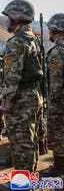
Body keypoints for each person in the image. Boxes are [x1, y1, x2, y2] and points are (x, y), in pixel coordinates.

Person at [0, 0, 43, 173]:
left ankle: (22, 185)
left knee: (20, 145)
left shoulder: (16, 42)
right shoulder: (33, 39)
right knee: (28, 143)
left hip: (20, 99)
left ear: (16, 17)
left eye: (8, 17)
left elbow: (12, 77)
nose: (6, 21)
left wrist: (7, 102)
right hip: (32, 95)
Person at [44, 13, 64, 175]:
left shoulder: (58, 52)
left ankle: (59, 167)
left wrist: (54, 104)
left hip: (60, 103)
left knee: (58, 135)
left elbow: (56, 82)